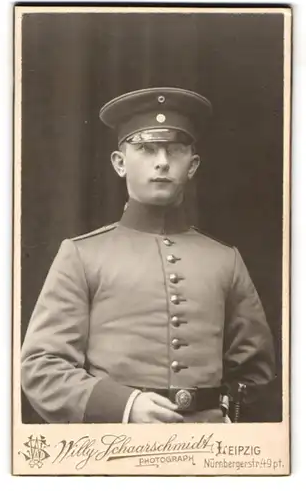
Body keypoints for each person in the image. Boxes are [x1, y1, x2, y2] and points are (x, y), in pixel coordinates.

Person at [21, 87, 276, 424]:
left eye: (174, 150)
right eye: (145, 149)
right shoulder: (82, 255)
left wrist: (229, 419)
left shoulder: (224, 260)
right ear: (119, 162)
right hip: (114, 449)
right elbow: (42, 366)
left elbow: (256, 373)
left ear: (193, 165)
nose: (162, 162)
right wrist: (124, 406)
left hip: (209, 454)